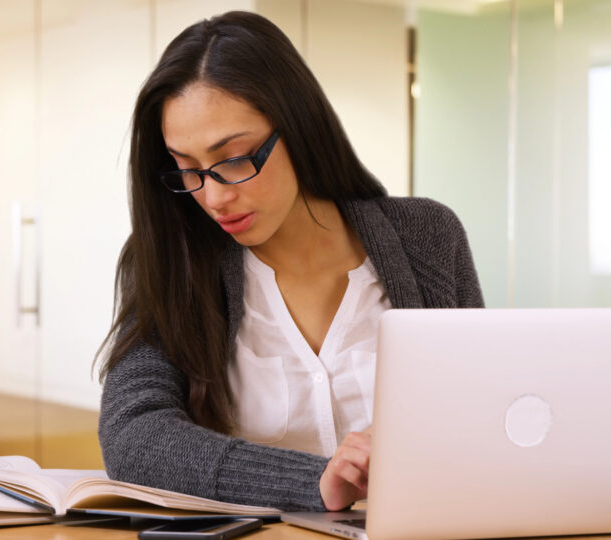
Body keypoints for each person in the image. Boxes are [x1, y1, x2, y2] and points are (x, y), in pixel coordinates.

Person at [95, 10, 483, 513]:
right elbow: (133, 435)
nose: (213, 198)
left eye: (234, 159)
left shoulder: (427, 237)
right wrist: (313, 480)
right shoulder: (172, 260)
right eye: (187, 169)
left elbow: (482, 407)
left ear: (297, 126)